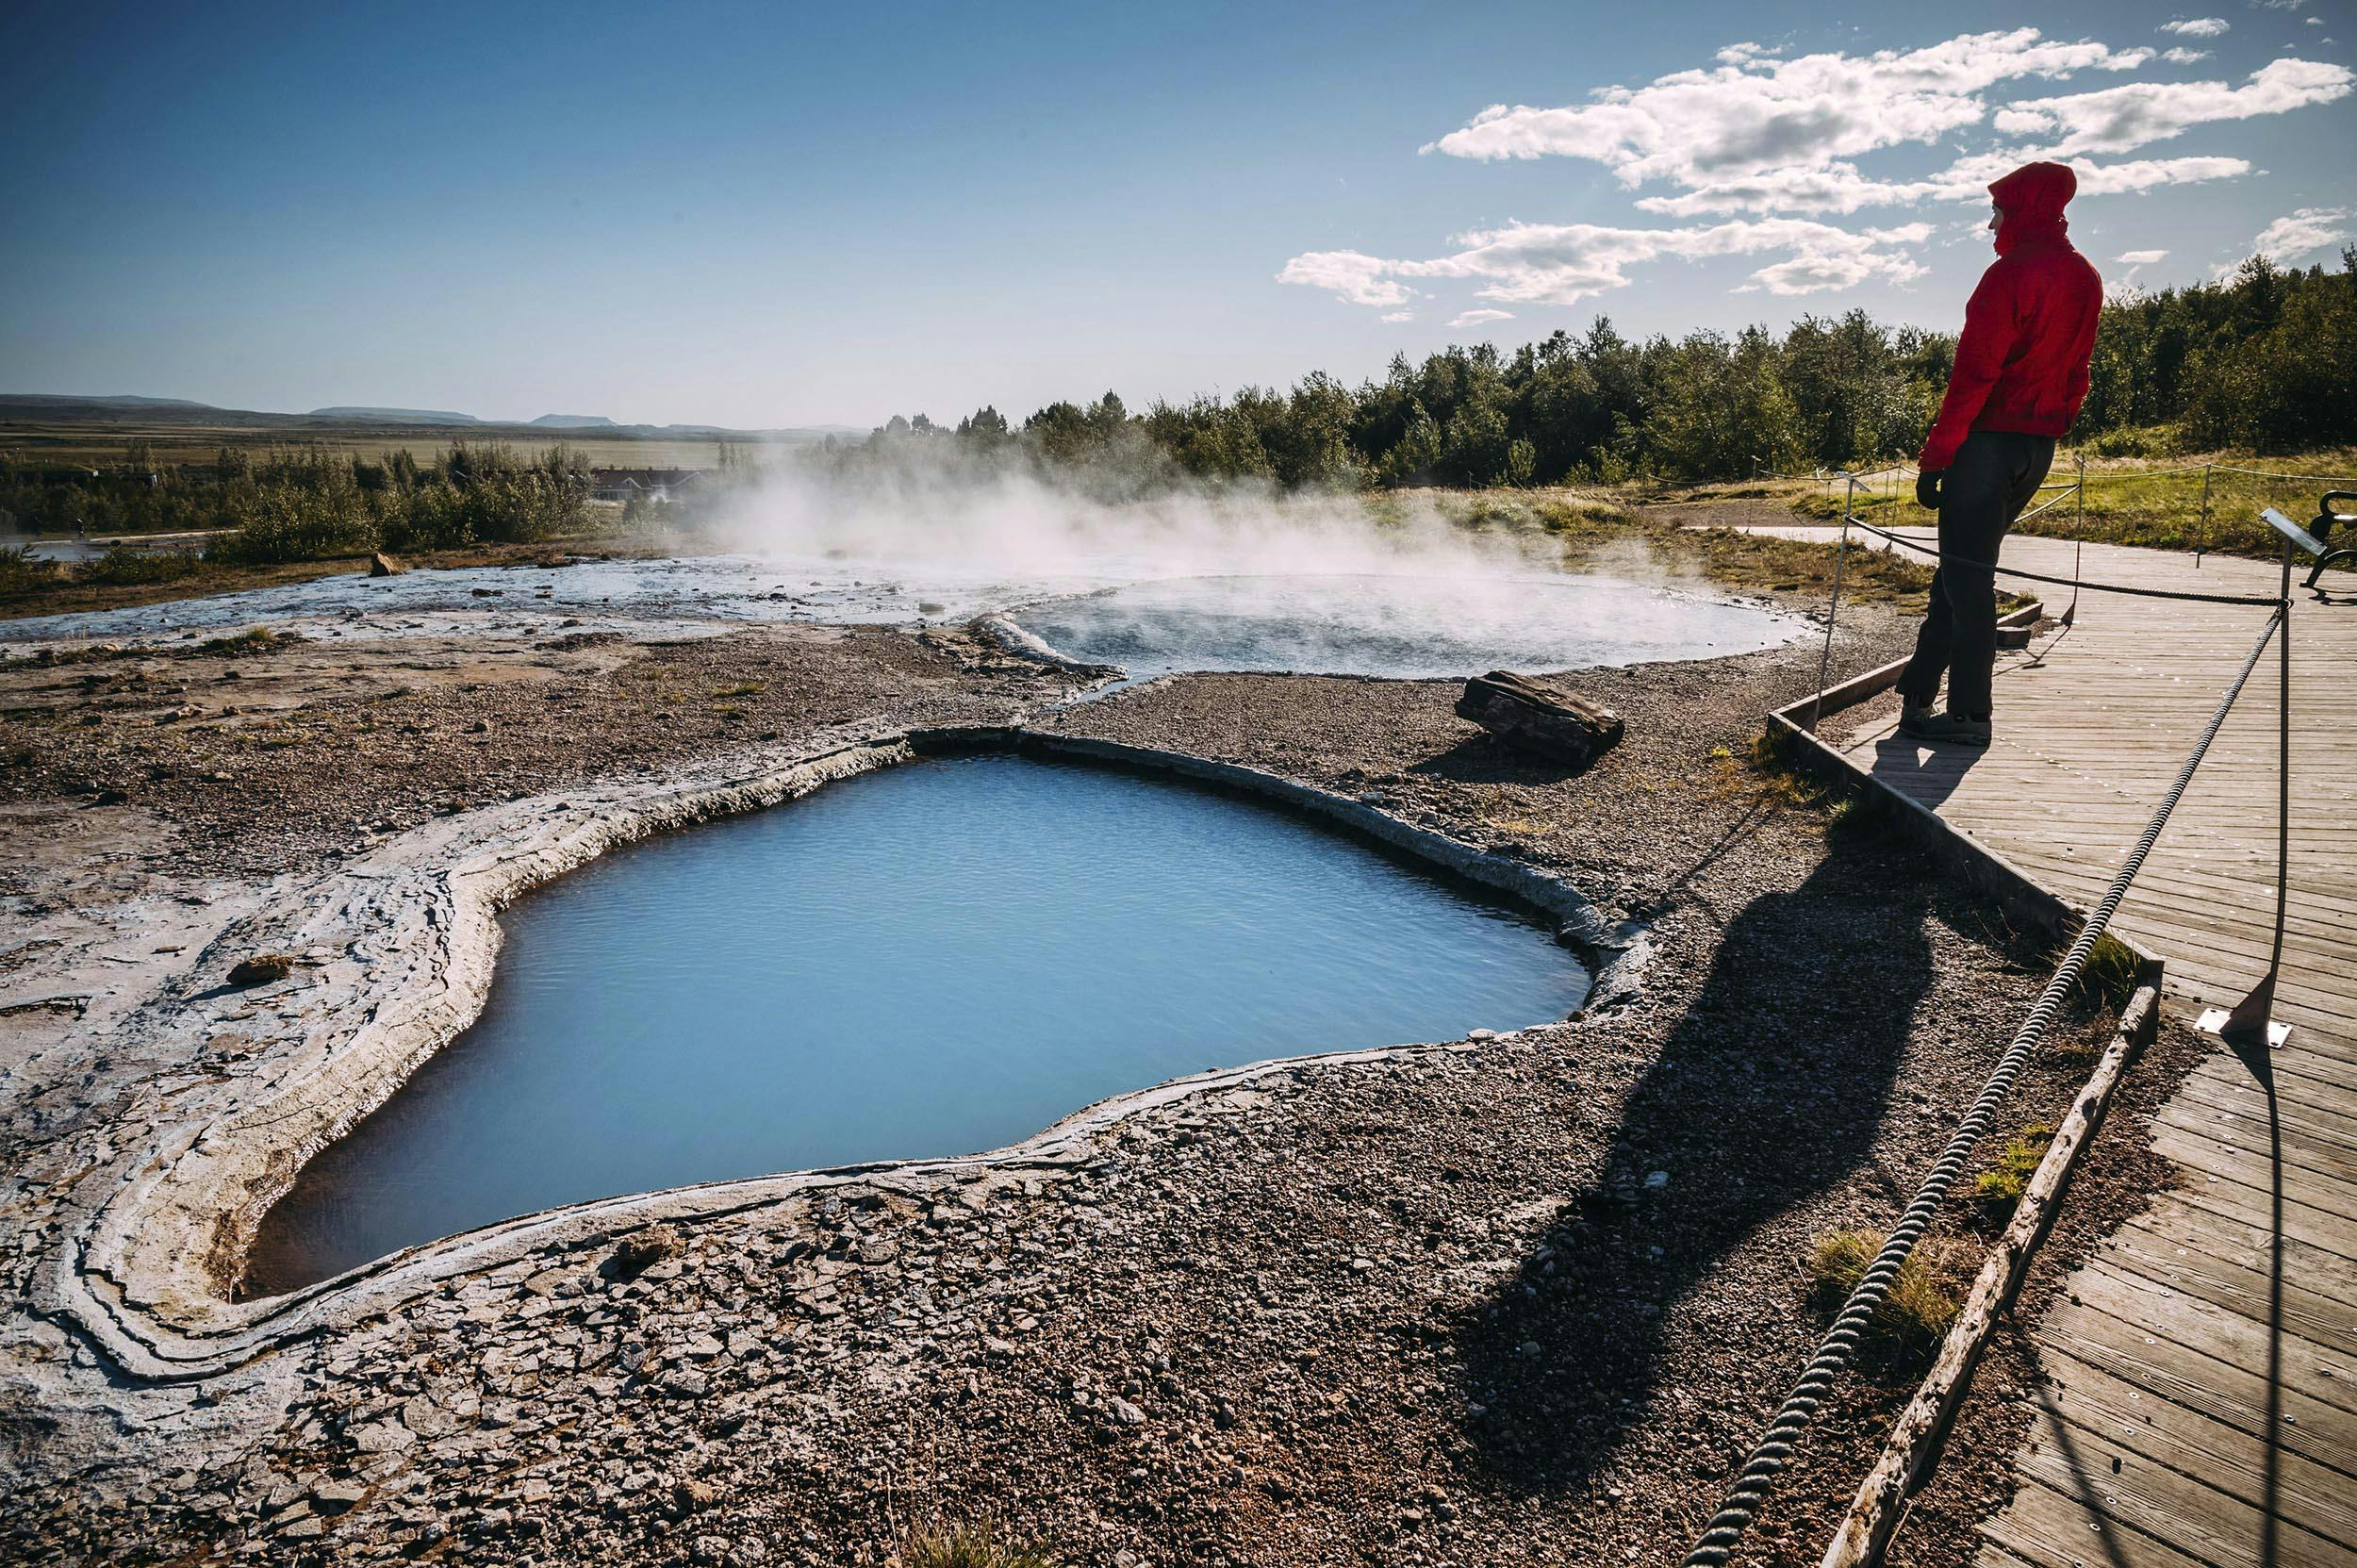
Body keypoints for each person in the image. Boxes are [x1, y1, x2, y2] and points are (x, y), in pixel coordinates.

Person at [1897, 160, 2102, 747]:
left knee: (1967, 584)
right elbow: (2077, 374)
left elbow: (1974, 376)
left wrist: (1937, 457)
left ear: (2023, 208)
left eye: (1999, 210)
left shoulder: (2009, 275)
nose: (1991, 223)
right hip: (2035, 449)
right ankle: (1917, 693)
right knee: (1961, 571)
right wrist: (2050, 428)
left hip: (1985, 448)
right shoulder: (2084, 276)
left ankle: (1968, 714)